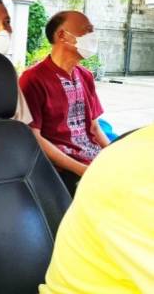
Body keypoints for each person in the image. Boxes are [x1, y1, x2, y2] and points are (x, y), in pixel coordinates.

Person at [39, 124, 154, 294]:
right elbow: (36, 134)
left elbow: (95, 127)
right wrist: (83, 169)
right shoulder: (136, 177)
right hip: (75, 164)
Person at [20, 11, 109, 196]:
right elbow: (34, 137)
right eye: (87, 30)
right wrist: (82, 170)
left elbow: (94, 128)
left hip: (93, 161)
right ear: (62, 35)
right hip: (61, 168)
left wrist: (115, 154)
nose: (93, 36)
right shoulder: (32, 79)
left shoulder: (85, 76)